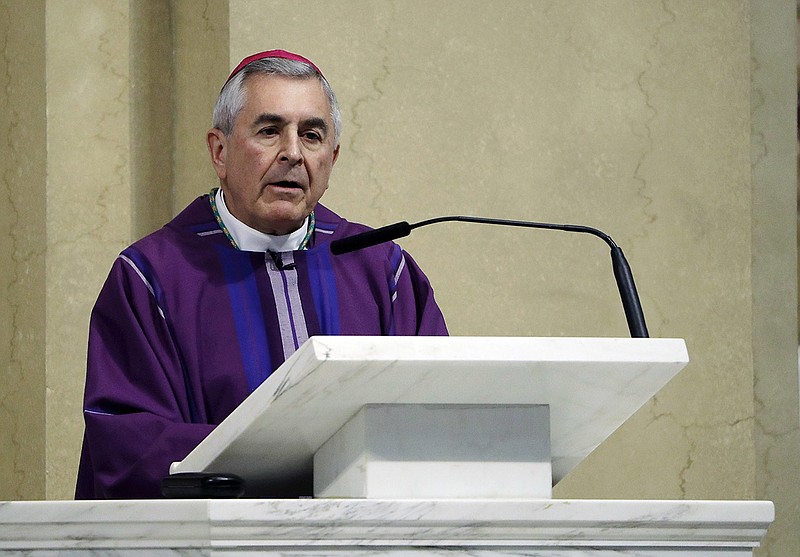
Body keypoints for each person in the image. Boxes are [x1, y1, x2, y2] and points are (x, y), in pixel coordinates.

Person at [75, 50, 447, 499]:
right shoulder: (152, 278)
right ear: (220, 150)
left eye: (311, 135)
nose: (292, 153)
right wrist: (298, 461)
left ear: (332, 156)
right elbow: (128, 443)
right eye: (270, 131)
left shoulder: (381, 271)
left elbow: (438, 418)